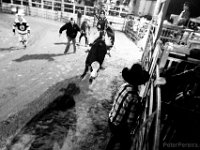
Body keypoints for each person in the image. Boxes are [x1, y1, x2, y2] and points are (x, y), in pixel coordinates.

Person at [106, 63, 150, 150]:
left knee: (116, 137)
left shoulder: (124, 86)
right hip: (118, 125)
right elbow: (130, 120)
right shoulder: (134, 96)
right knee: (126, 143)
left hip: (111, 118)